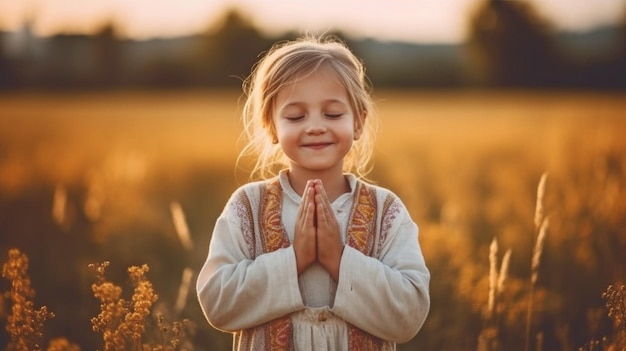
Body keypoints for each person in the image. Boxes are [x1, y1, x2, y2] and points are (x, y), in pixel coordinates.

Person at [196, 35, 430, 351]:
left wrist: (338, 258)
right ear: (271, 127)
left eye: (333, 114)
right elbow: (217, 302)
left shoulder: (386, 210)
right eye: (295, 116)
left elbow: (410, 314)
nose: (315, 126)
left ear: (359, 121)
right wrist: (295, 259)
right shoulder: (247, 207)